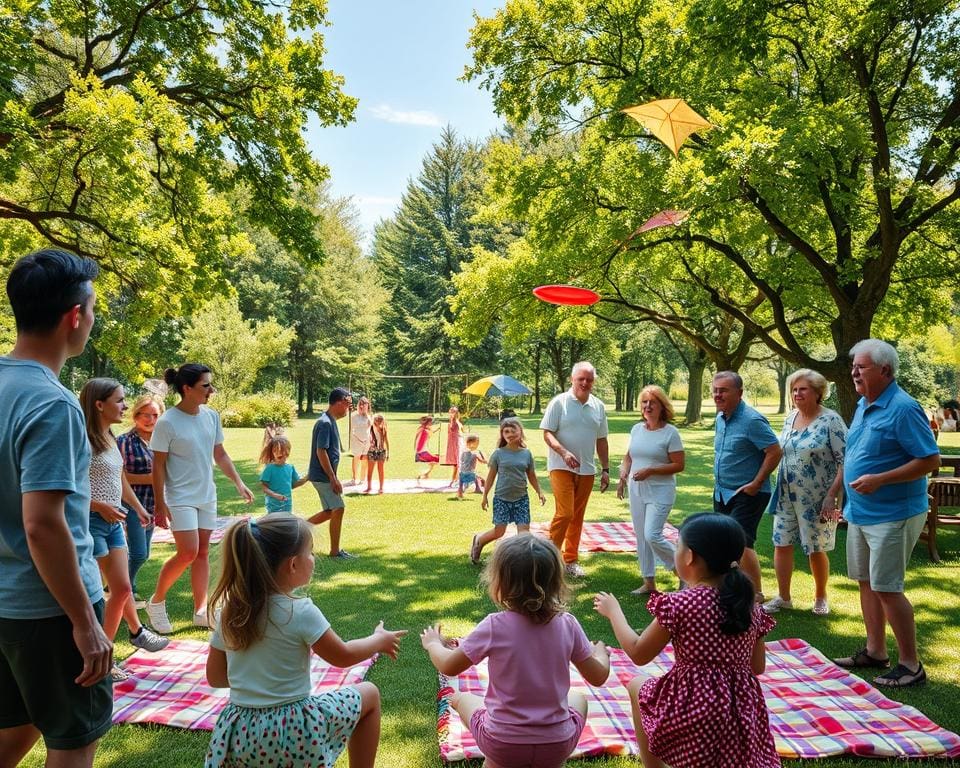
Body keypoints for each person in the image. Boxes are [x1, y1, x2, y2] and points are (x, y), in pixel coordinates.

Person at [0, 248, 112, 768]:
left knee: (14, 729)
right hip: (49, 610)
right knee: (73, 741)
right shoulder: (52, 402)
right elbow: (43, 525)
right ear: (75, 315)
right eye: (92, 309)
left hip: (4, 607)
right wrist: (85, 623)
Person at [205, 514, 406, 768]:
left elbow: (216, 677)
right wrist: (378, 640)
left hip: (240, 733)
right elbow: (343, 656)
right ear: (292, 565)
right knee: (370, 694)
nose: (314, 559)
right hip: (294, 729)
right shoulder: (299, 610)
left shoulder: (229, 612)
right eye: (310, 552)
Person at [594, 513, 780, 768]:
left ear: (690, 556)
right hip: (741, 714)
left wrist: (613, 612)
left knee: (638, 686)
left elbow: (639, 653)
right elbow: (757, 667)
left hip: (691, 711)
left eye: (678, 545)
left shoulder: (680, 604)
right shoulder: (751, 607)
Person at [421, 535, 610, 768]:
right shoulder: (567, 624)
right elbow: (598, 676)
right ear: (556, 583)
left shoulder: (494, 626)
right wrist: (601, 653)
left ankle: (460, 704)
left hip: (501, 743)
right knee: (578, 699)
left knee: (467, 699)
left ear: (500, 584)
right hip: (556, 744)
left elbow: (448, 665)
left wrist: (432, 644)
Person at [832, 339, 940, 688]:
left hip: (894, 513)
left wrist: (881, 479)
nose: (853, 373)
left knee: (886, 587)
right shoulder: (865, 404)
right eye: (853, 367)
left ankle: (911, 665)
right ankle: (876, 651)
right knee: (866, 581)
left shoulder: (905, 408)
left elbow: (930, 460)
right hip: (861, 512)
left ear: (885, 370)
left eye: (860, 367)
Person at [146, 364, 255, 634]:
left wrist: (239, 482)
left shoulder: (211, 416)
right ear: (187, 389)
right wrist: (160, 503)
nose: (211, 390)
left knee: (203, 553)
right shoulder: (168, 421)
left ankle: (200, 609)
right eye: (205, 385)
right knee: (188, 552)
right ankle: (156, 602)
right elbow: (157, 466)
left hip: (207, 495)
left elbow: (220, 454)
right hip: (179, 497)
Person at [80, 378, 169, 681]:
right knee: (91, 598)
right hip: (90, 524)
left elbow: (120, 481)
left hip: (114, 523)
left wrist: (140, 508)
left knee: (122, 590)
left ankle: (108, 653)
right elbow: (70, 488)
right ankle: (97, 659)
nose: (125, 406)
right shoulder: (82, 439)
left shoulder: (109, 436)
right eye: (119, 400)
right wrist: (99, 506)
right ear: (99, 404)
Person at [763, 369, 847, 616]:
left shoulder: (831, 421)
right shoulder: (790, 418)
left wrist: (832, 495)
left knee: (816, 547)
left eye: (803, 389)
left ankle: (821, 597)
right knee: (781, 543)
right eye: (794, 389)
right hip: (786, 494)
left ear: (818, 393)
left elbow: (846, 461)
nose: (797, 394)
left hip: (819, 498)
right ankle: (784, 597)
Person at [711, 371, 782, 597]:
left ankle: (756, 595)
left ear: (739, 393)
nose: (717, 394)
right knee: (725, 542)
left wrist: (756, 483)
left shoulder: (752, 420)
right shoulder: (720, 418)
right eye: (715, 390)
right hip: (723, 492)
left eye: (723, 390)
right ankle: (731, 590)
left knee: (741, 543)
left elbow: (774, 451)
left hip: (749, 492)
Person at [540, 361, 610, 578]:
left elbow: (602, 440)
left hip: (587, 469)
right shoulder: (559, 403)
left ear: (593, 381)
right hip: (560, 465)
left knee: (577, 516)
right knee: (565, 513)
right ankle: (549, 560)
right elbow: (547, 433)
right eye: (581, 378)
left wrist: (606, 469)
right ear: (572, 379)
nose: (585, 383)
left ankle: (570, 560)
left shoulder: (598, 406)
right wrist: (564, 452)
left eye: (589, 379)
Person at [617, 385, 685, 595]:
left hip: (660, 491)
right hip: (636, 489)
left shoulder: (670, 433)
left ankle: (684, 573)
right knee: (641, 536)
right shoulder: (637, 429)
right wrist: (622, 476)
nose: (647, 406)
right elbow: (629, 456)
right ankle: (649, 582)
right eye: (644, 402)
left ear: (662, 406)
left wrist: (651, 470)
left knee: (652, 534)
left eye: (652, 402)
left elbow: (679, 465)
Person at [470, 419, 546, 563]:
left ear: (520, 432)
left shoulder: (526, 454)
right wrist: (485, 495)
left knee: (524, 534)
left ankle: (521, 563)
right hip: (502, 498)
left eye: (513, 430)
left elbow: (531, 475)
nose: (510, 434)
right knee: (500, 531)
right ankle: (479, 541)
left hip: (521, 499)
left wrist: (539, 492)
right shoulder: (498, 454)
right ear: (502, 434)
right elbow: (491, 477)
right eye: (506, 431)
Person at [117, 393, 164, 608]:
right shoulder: (124, 442)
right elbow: (119, 476)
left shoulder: (161, 441)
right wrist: (153, 478)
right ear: (135, 415)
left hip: (153, 503)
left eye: (155, 415)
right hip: (131, 502)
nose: (150, 420)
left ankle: (123, 585)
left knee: (143, 552)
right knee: (138, 552)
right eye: (145, 415)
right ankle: (124, 589)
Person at [307, 387, 355, 558]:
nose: (349, 409)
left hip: (323, 475)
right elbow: (321, 451)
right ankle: (334, 551)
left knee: (330, 511)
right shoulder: (325, 423)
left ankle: (300, 528)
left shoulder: (330, 421)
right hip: (322, 476)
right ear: (340, 402)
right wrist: (332, 478)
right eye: (348, 404)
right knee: (338, 508)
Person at [259, 430, 308, 514]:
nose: (282, 457)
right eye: (279, 455)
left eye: (285, 454)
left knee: (285, 524)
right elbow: (264, 487)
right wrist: (275, 495)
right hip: (273, 506)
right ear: (272, 452)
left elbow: (293, 484)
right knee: (274, 525)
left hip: (287, 505)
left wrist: (308, 477)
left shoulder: (290, 468)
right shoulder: (269, 468)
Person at [349, 396, 372, 486]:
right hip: (356, 440)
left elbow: (370, 426)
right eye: (361, 404)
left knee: (365, 459)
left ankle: (363, 478)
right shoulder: (354, 415)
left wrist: (366, 414)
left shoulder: (368, 416)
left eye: (365, 405)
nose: (363, 406)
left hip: (366, 441)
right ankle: (354, 478)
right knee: (356, 458)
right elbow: (352, 428)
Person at [364, 413, 389, 494]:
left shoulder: (384, 429)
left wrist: (388, 453)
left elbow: (386, 441)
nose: (377, 422)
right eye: (376, 420)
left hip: (381, 450)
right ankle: (369, 487)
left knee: (380, 469)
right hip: (372, 450)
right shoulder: (371, 427)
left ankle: (381, 488)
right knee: (370, 470)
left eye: (379, 421)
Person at [457, 434, 486, 500]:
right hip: (470, 473)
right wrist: (486, 461)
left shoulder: (463, 452)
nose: (477, 445)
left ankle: (460, 493)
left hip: (462, 473)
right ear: (471, 444)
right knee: (478, 478)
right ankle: (478, 488)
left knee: (461, 483)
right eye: (477, 443)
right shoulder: (474, 454)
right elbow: (482, 461)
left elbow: (462, 461)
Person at [414, 415, 440, 481]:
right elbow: (420, 441)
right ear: (428, 423)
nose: (432, 424)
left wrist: (437, 429)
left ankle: (424, 474)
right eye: (431, 422)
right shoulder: (424, 431)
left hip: (422, 452)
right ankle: (425, 474)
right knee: (438, 459)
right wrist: (418, 453)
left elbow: (430, 433)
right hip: (422, 452)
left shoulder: (424, 429)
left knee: (435, 460)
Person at [444, 406, 465, 486]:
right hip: (455, 443)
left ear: (456, 413)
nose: (451, 413)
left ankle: (454, 480)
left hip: (456, 443)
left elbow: (456, 431)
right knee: (456, 463)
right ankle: (456, 479)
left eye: (453, 412)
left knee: (457, 463)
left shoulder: (455, 422)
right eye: (450, 411)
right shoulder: (455, 421)